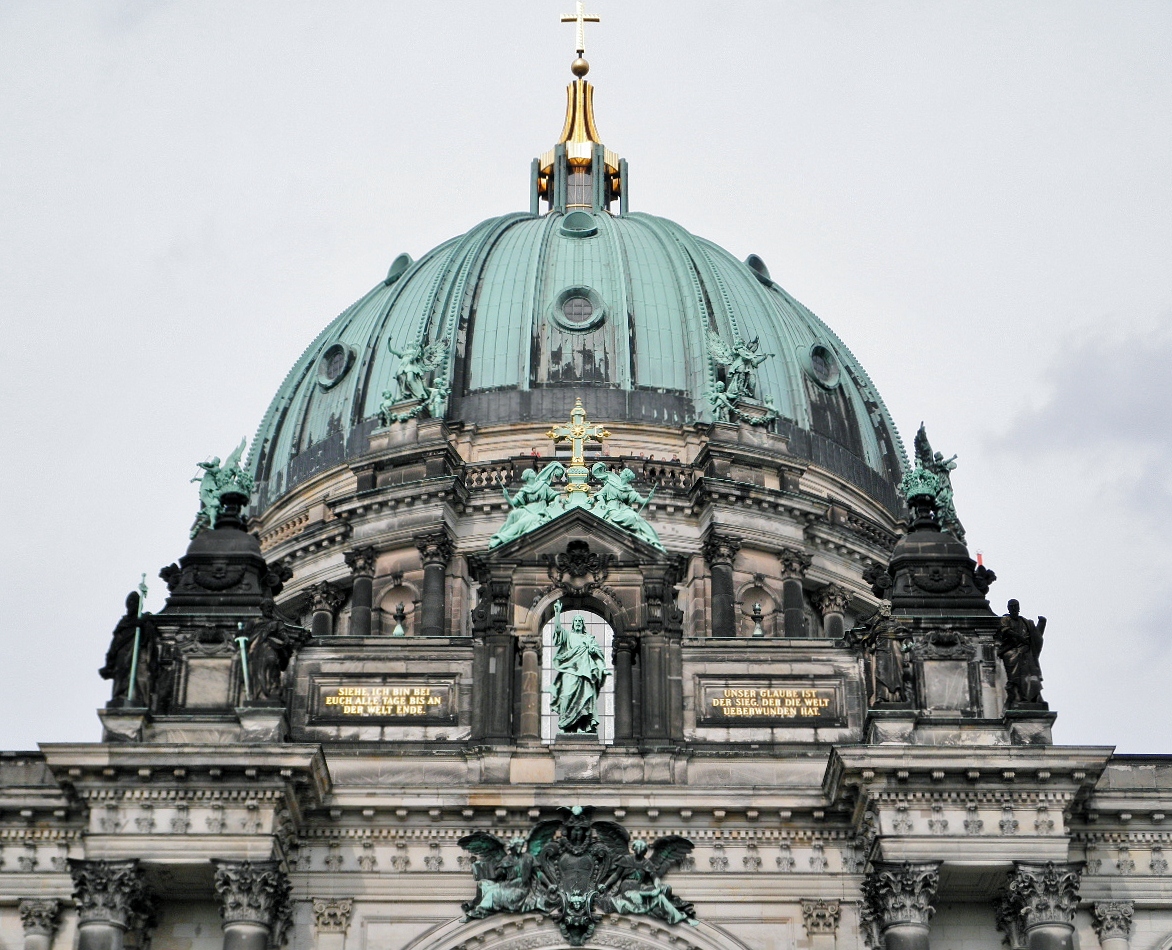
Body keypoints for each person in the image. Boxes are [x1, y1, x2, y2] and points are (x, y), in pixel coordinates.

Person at [547, 600, 609, 733]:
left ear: (583, 624)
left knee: (585, 699)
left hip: (585, 673)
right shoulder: (568, 636)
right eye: (576, 621)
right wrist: (557, 613)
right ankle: (566, 725)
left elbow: (597, 655)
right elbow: (558, 629)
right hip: (570, 671)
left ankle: (582, 726)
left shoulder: (589, 638)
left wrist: (601, 667)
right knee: (566, 696)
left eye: (580, 621)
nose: (578, 623)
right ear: (573, 624)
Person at [99, 591, 156, 707]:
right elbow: (116, 640)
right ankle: (121, 696)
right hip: (122, 651)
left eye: (134, 602)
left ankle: (137, 697)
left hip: (136, 651)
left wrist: (143, 623)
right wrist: (110, 658)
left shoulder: (144, 621)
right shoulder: (124, 622)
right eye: (129, 602)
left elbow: (147, 639)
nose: (131, 605)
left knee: (139, 674)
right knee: (122, 672)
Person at [589, 463, 662, 549]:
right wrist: (601, 500)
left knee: (637, 518)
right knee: (631, 517)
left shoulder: (629, 490)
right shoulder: (611, 484)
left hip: (623, 509)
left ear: (625, 476)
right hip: (611, 509)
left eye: (623, 472)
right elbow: (600, 494)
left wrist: (649, 498)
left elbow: (642, 501)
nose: (620, 473)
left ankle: (653, 542)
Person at [997, 599, 1046, 705]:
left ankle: (1031, 696)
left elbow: (1035, 636)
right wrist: (1018, 637)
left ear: (1019, 608)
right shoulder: (1006, 619)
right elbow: (1005, 630)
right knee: (1014, 660)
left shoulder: (1026, 622)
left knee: (1030, 670)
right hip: (1012, 649)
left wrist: (1042, 623)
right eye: (1012, 607)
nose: (1014, 609)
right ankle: (1015, 691)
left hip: (1025, 650)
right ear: (1008, 608)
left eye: (1016, 606)